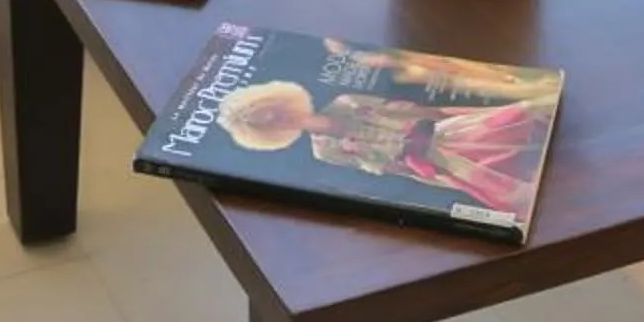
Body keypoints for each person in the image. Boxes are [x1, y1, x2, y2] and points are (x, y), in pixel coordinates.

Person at [216, 77, 547, 216]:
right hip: (426, 161)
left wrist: (471, 114)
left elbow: (420, 112)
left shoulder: (346, 102)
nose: (283, 119)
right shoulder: (324, 151)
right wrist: (426, 171)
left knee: (518, 121)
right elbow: (386, 168)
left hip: (442, 131)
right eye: (272, 122)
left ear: (284, 100)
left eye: (277, 111)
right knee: (510, 186)